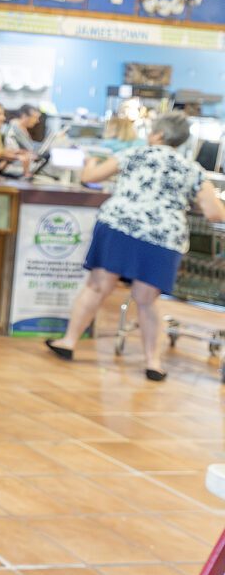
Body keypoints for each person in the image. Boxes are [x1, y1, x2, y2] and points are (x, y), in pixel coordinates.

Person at [46, 113, 225, 380]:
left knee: (98, 286)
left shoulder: (135, 154)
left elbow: (91, 177)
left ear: (158, 136)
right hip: (163, 237)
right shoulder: (193, 170)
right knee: (146, 300)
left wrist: (90, 161)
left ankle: (68, 343)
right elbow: (214, 213)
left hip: (119, 226)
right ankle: (153, 363)